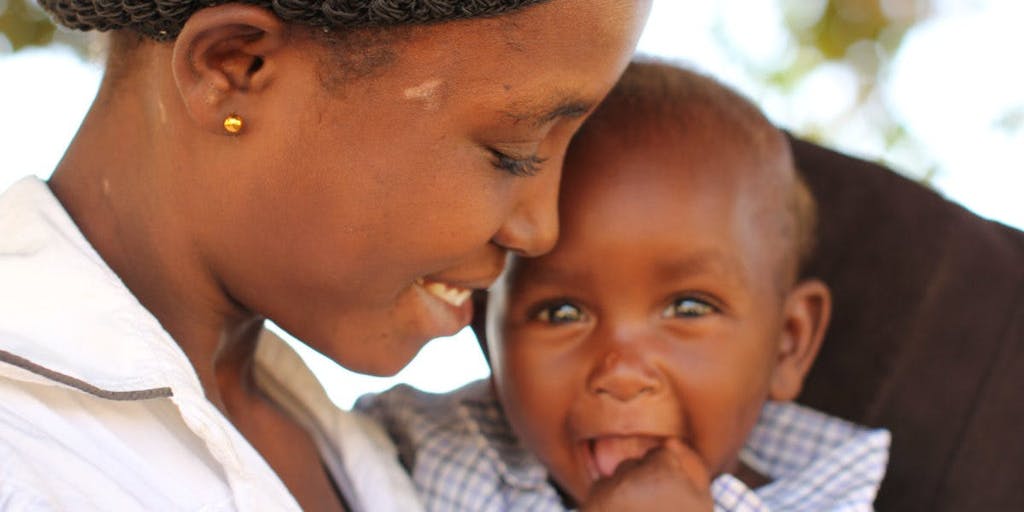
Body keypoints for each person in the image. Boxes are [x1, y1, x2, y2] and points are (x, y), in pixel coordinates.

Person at [0, 1, 652, 510]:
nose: (540, 230)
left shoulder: (396, 451)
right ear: (233, 67)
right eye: (512, 152)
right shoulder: (23, 460)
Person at [356, 61, 892, 511]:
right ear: (489, 339)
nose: (620, 374)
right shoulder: (425, 451)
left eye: (687, 307)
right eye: (561, 313)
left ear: (788, 343)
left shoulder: (830, 498)